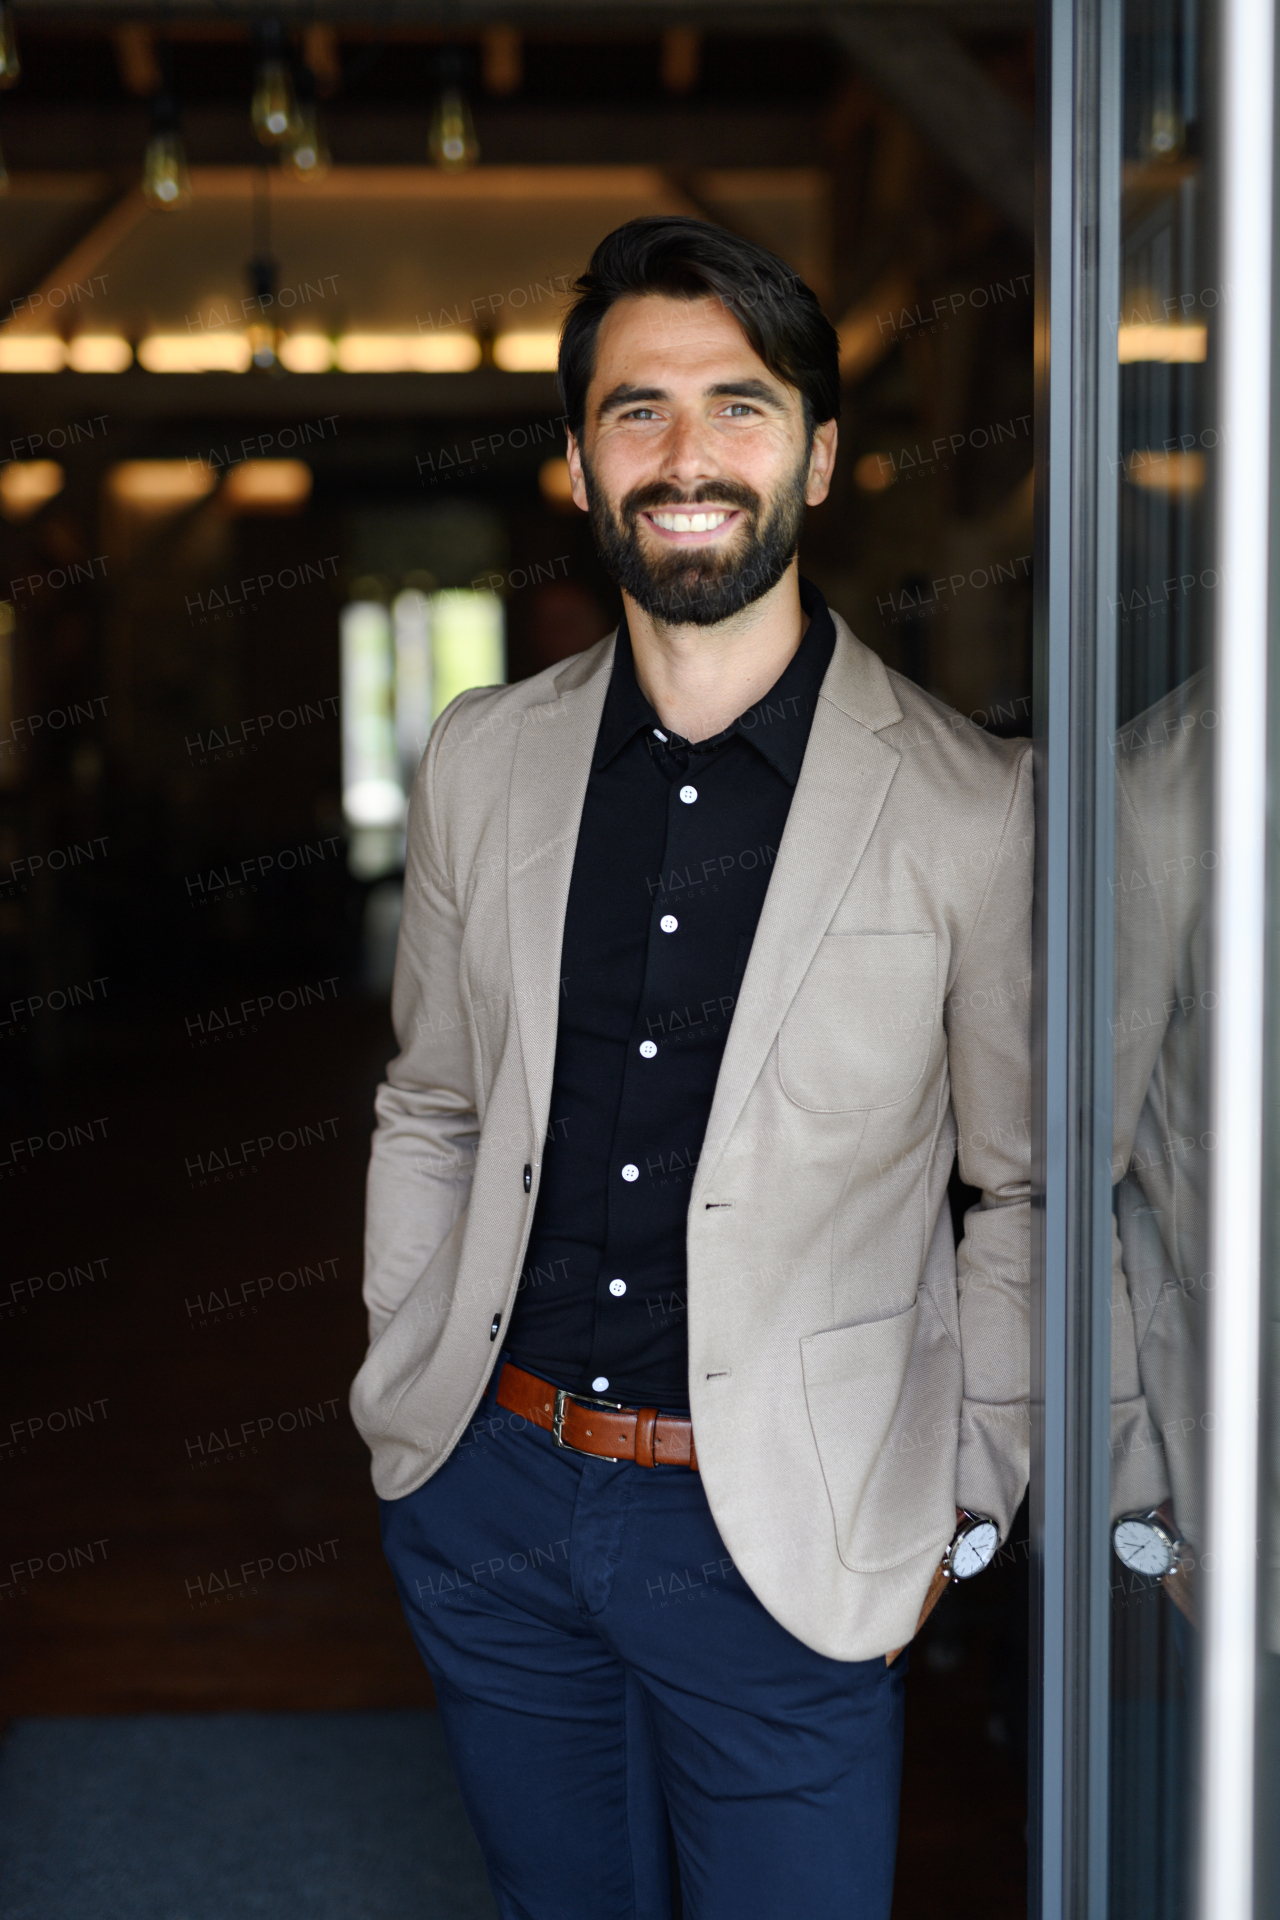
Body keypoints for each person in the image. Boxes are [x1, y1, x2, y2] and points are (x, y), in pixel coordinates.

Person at [350, 215, 1032, 1919]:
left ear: (820, 452)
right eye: (636, 411)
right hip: (490, 1494)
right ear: (576, 467)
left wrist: (969, 1498)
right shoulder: (480, 762)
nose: (687, 455)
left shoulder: (972, 806)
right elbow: (429, 1100)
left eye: (739, 405)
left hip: (790, 1535)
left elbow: (1026, 1185)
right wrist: (403, 1384)